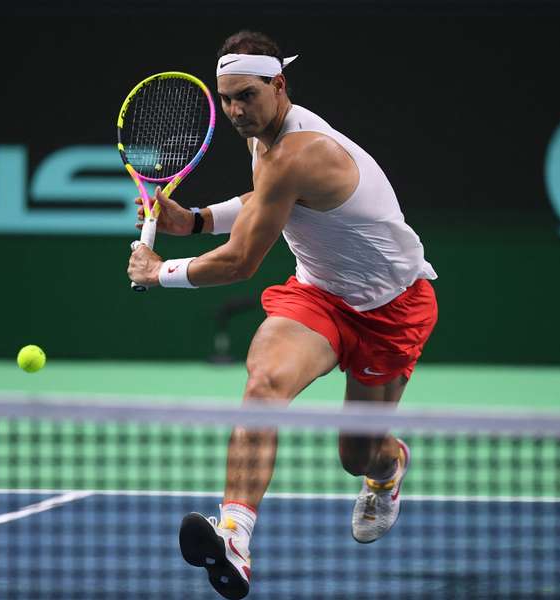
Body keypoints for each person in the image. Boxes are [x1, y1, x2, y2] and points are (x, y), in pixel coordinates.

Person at [127, 30, 438, 600]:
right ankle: (235, 539)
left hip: (392, 306)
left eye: (247, 95)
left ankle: (387, 469)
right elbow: (262, 198)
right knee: (263, 382)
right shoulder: (263, 140)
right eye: (226, 98)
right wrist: (193, 220)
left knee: (357, 454)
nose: (236, 110)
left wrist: (160, 271)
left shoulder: (301, 151)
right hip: (318, 295)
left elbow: (242, 261)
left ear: (279, 84)